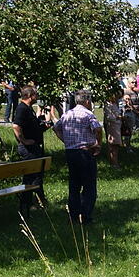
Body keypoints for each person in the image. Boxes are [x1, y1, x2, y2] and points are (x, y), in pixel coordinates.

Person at [53, 90, 102, 225]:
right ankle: (85, 216)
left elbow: (56, 128)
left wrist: (66, 141)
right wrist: (98, 144)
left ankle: (74, 215)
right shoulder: (88, 114)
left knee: (74, 185)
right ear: (87, 101)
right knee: (89, 185)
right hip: (85, 152)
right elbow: (98, 129)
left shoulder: (67, 114)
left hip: (71, 153)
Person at [12, 86, 48, 214]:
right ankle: (27, 204)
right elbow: (16, 126)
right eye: (36, 94)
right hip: (28, 149)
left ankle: (38, 201)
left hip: (34, 147)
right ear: (30, 95)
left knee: (36, 176)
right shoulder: (22, 109)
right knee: (29, 177)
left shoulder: (28, 109)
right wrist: (24, 140)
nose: (37, 97)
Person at [123, 77, 139, 148]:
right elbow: (129, 104)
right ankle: (128, 147)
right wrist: (137, 112)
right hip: (130, 113)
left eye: (135, 82)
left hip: (138, 114)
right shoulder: (126, 92)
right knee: (129, 131)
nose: (134, 84)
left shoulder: (135, 91)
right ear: (128, 83)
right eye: (132, 82)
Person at [103, 87, 123, 168]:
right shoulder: (108, 105)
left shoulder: (115, 104)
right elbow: (109, 117)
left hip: (117, 126)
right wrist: (118, 118)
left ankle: (115, 161)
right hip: (112, 127)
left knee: (116, 145)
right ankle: (113, 163)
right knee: (113, 144)